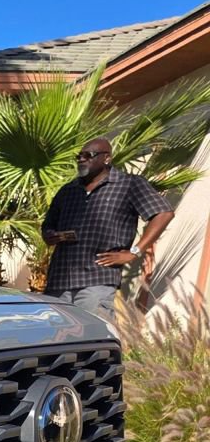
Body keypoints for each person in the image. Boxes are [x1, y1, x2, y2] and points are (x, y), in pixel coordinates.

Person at [41, 137, 174, 323]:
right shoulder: (68, 190)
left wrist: (134, 252)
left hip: (97, 278)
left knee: (91, 337)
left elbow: (163, 213)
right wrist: (50, 235)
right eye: (79, 156)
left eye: (88, 155)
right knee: (57, 338)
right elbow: (48, 225)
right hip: (60, 279)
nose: (81, 159)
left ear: (106, 158)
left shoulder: (129, 184)